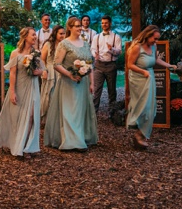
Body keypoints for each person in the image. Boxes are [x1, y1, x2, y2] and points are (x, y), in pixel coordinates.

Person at [45, 16, 98, 151]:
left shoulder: (85, 43)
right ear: (70, 27)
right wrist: (70, 74)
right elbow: (56, 64)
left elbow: (90, 64)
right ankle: (72, 141)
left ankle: (80, 137)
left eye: (80, 25)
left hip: (83, 83)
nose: (80, 28)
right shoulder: (65, 44)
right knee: (70, 111)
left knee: (80, 111)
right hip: (68, 83)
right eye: (77, 26)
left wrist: (92, 82)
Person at [0, 27, 45, 159]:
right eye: (33, 35)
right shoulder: (15, 54)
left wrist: (36, 72)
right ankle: (16, 145)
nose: (35, 37)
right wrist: (12, 92)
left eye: (35, 35)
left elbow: (43, 71)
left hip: (33, 87)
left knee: (32, 116)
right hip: (20, 87)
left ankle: (27, 147)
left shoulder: (36, 53)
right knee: (17, 117)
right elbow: (12, 73)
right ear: (25, 36)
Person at [125, 24, 178, 150]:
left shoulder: (153, 46)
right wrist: (143, 72)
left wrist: (170, 66)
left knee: (150, 108)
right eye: (154, 38)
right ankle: (136, 130)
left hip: (149, 77)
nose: (156, 41)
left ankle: (140, 135)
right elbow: (130, 65)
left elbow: (156, 60)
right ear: (147, 36)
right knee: (142, 106)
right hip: (138, 78)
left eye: (157, 39)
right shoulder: (137, 47)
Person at [90, 16, 123, 112]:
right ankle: (93, 113)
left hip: (111, 65)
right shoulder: (97, 37)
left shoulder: (116, 37)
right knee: (96, 90)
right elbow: (93, 48)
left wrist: (111, 49)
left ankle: (112, 112)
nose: (104, 25)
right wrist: (94, 54)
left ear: (110, 23)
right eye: (102, 23)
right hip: (99, 65)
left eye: (106, 23)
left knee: (112, 90)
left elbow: (119, 52)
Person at [39, 25, 66, 124]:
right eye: (61, 33)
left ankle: (58, 120)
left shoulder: (65, 45)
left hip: (62, 71)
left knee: (60, 96)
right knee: (49, 95)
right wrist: (44, 70)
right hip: (50, 72)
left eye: (64, 33)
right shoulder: (48, 44)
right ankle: (47, 121)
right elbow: (42, 59)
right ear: (55, 34)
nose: (63, 35)